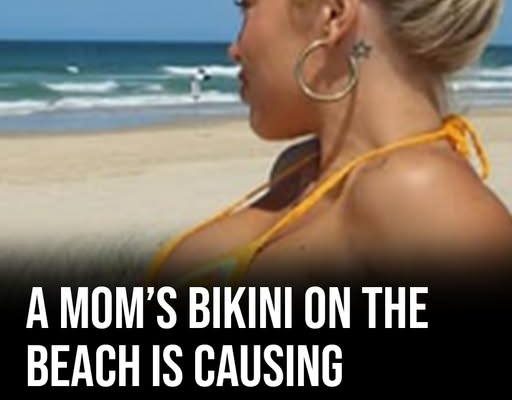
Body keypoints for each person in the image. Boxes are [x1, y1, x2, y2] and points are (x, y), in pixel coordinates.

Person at [149, 0, 512, 286]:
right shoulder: (300, 171)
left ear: (333, 16)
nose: (234, 48)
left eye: (247, 5)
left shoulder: (423, 196)